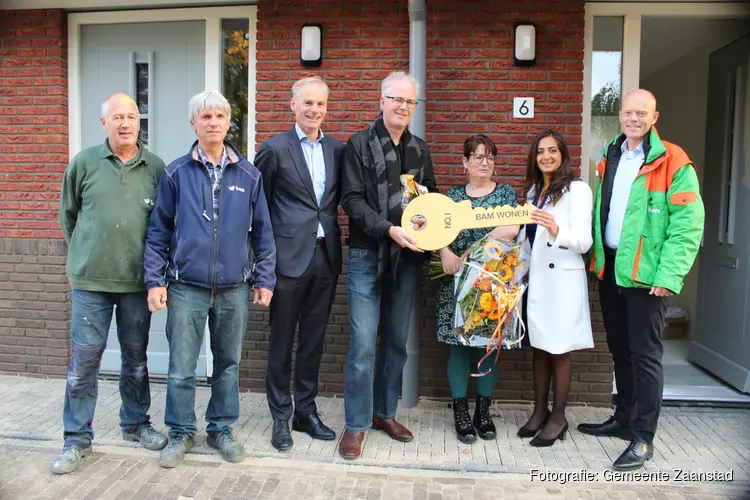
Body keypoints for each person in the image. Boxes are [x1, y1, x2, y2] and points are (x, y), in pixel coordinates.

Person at [144, 91, 277, 468]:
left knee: (228, 364)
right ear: (194, 123)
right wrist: (155, 280)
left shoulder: (249, 175)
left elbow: (263, 233)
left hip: (234, 287)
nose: (213, 122)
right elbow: (158, 232)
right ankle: (181, 432)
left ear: (228, 122)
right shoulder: (176, 173)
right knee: (181, 367)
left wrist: (264, 279)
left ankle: (220, 429)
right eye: (205, 116)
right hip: (186, 286)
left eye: (219, 115)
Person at [578, 89, 704, 470]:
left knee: (646, 356)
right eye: (628, 112)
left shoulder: (673, 161)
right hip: (613, 268)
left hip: (648, 277)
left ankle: (643, 439)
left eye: (641, 113)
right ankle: (624, 419)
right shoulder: (609, 157)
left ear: (654, 116)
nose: (633, 118)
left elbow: (687, 226)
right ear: (620, 115)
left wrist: (669, 275)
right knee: (620, 349)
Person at [54, 93, 168, 474]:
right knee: (84, 362)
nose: (125, 123)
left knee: (135, 360)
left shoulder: (155, 167)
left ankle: (135, 424)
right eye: (117, 116)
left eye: (131, 117)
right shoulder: (84, 163)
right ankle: (75, 438)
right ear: (103, 123)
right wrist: (87, 254)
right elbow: (69, 216)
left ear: (140, 123)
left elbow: (163, 226)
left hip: (137, 283)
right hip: (91, 283)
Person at [338, 72, 438, 459]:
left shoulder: (419, 149)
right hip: (367, 254)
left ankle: (384, 413)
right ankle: (356, 423)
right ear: (381, 101)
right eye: (396, 99)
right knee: (363, 344)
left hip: (409, 259)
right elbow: (352, 199)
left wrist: (432, 232)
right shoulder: (359, 145)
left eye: (410, 102)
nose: (402, 106)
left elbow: (430, 198)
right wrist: (389, 230)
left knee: (396, 342)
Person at [255, 76, 345, 451]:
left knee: (313, 342)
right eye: (307, 103)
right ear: (292, 106)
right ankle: (279, 417)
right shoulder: (274, 149)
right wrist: (263, 262)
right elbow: (258, 209)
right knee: (280, 343)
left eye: (320, 104)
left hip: (325, 259)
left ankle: (305, 412)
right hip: (286, 263)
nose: (314, 110)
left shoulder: (339, 151)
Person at [435, 134, 520, 444]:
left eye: (490, 157)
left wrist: (474, 250)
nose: (485, 162)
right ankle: (460, 410)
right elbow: (439, 229)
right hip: (457, 280)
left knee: (489, 346)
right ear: (465, 162)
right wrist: (446, 253)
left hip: (493, 283)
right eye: (479, 156)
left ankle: (483, 411)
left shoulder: (506, 193)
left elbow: (512, 227)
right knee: (458, 345)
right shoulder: (453, 195)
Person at [515, 129, 594, 447]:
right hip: (537, 283)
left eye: (552, 150)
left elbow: (584, 241)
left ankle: (559, 417)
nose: (546, 156)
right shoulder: (534, 190)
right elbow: (525, 241)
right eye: (540, 151)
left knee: (558, 349)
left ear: (563, 155)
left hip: (562, 281)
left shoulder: (578, 190)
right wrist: (514, 273)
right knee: (539, 348)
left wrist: (556, 228)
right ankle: (539, 411)